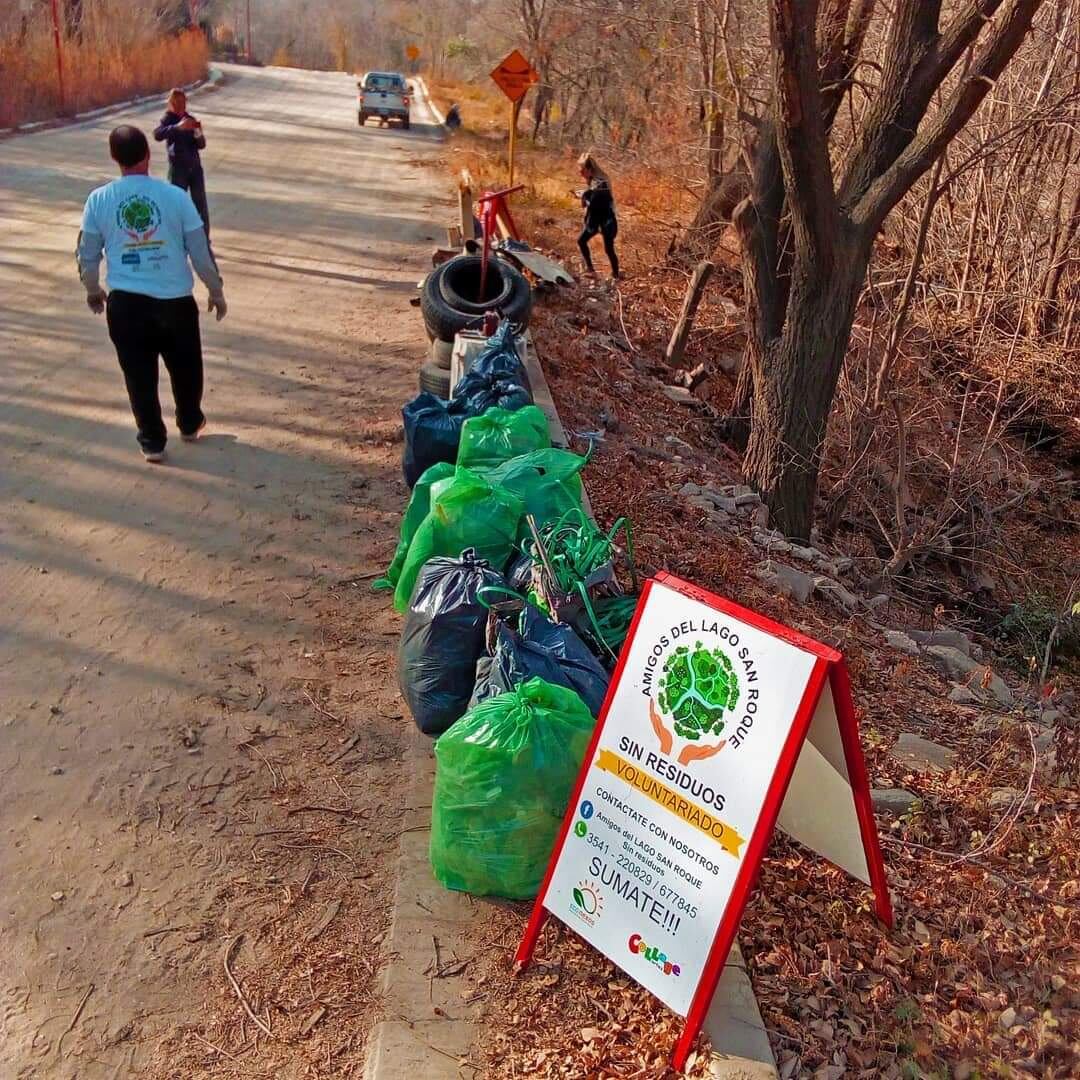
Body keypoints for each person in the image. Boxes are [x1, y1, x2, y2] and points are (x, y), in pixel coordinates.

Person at [77, 124, 227, 463]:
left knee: (138, 374)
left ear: (115, 158)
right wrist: (215, 290)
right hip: (175, 302)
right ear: (148, 154)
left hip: (127, 303)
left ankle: (152, 441)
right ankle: (189, 422)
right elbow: (199, 251)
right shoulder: (176, 197)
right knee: (186, 368)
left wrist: (92, 289)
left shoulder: (98, 200)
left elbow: (87, 255)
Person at [153, 88, 211, 236]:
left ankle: (204, 237)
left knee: (200, 204)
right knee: (175, 204)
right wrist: (177, 128)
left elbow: (201, 145)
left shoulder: (189, 119)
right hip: (178, 168)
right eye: (177, 102)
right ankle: (174, 236)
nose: (181, 106)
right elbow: (157, 134)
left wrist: (197, 133)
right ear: (171, 103)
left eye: (183, 102)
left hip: (195, 168)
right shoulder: (168, 119)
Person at [576, 152, 620, 279]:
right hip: (598, 220)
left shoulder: (601, 183)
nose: (581, 173)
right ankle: (592, 270)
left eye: (582, 170)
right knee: (583, 241)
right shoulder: (595, 181)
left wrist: (584, 197)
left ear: (589, 169)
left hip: (605, 220)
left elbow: (597, 204)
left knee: (608, 249)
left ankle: (615, 274)